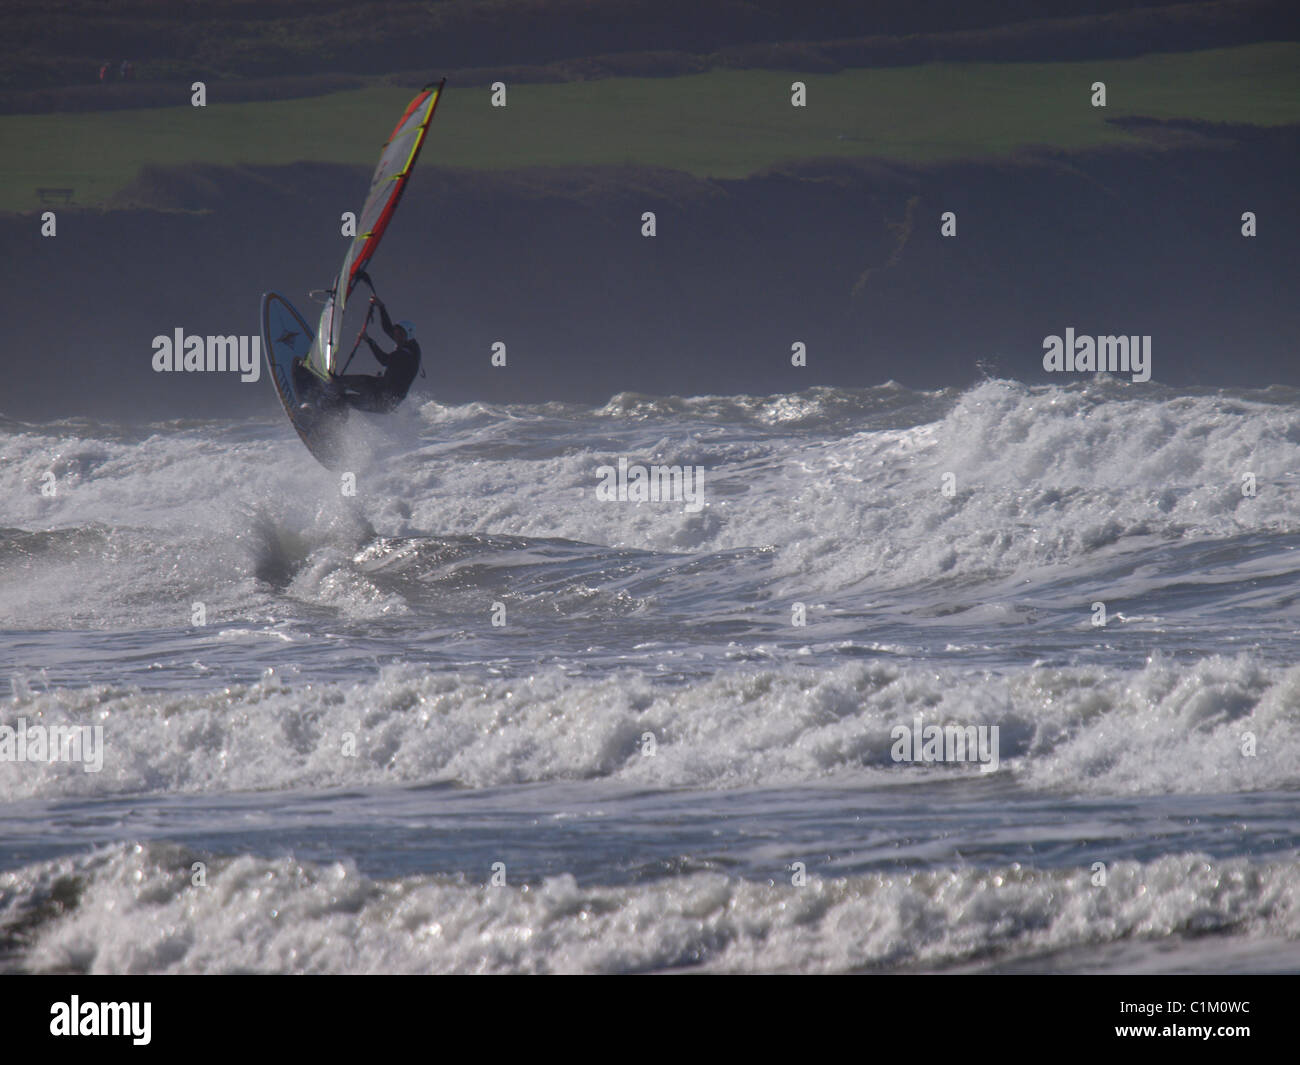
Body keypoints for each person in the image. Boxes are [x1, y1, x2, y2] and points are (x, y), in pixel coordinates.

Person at [331, 295, 421, 413]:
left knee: (344, 397)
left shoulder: (407, 355)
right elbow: (387, 329)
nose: (396, 337)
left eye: (400, 335)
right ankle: (326, 398)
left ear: (407, 336)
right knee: (341, 385)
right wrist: (381, 307)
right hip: (381, 388)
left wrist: (370, 341)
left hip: (384, 400)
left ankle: (328, 423)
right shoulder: (405, 341)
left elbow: (384, 360)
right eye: (396, 333)